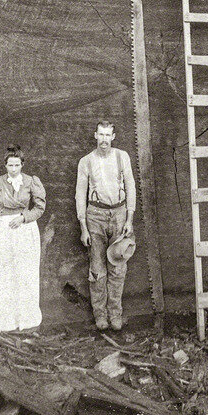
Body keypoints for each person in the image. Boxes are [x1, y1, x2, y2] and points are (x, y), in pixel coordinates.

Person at [0, 145, 46, 332]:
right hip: (5, 230)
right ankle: (4, 319)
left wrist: (24, 218)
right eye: (10, 165)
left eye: (17, 165)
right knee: (4, 273)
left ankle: (23, 319)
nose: (13, 169)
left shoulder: (31, 182)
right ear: (5, 165)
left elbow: (40, 208)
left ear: (22, 164)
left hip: (25, 229)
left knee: (24, 273)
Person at [76, 121, 136, 331]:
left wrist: (129, 219)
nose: (103, 139)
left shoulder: (122, 157)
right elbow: (79, 194)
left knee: (118, 267)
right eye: (100, 135)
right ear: (95, 136)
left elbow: (130, 187)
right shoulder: (86, 161)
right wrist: (83, 226)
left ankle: (115, 315)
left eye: (107, 135)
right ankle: (100, 316)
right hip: (95, 216)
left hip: (119, 215)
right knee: (97, 269)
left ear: (113, 136)